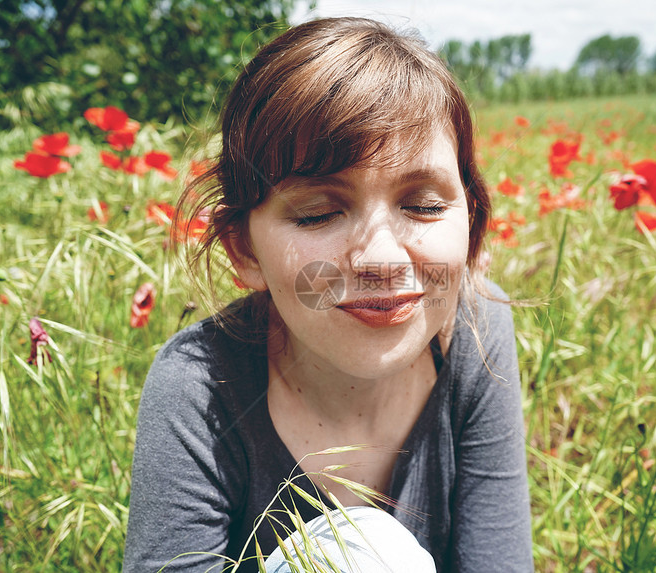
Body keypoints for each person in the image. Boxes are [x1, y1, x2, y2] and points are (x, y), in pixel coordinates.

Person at [123, 16, 533, 572]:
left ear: (471, 218)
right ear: (243, 250)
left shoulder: (477, 328)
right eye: (319, 213)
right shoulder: (199, 385)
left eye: (425, 205)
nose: (383, 260)